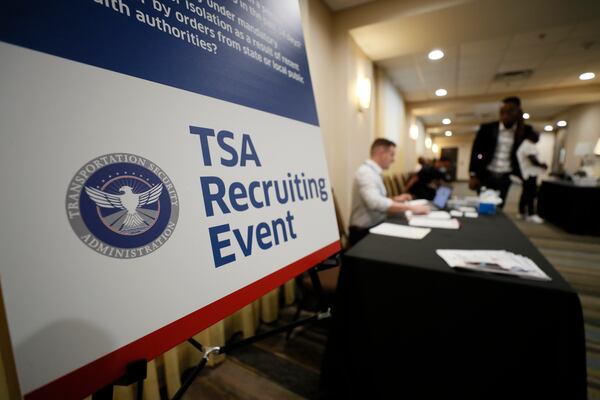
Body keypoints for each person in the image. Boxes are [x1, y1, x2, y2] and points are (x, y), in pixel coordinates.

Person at [349, 138, 430, 245]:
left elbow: (376, 198)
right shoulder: (366, 173)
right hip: (363, 232)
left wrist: (395, 199)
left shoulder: (373, 172)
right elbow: (375, 203)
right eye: (392, 154)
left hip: (375, 224)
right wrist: (411, 207)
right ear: (381, 153)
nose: (393, 159)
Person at [468, 96, 535, 207]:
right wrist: (473, 174)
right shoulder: (487, 129)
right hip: (486, 174)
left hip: (505, 176)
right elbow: (476, 152)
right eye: (503, 113)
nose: (505, 117)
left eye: (510, 114)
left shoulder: (524, 131)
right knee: (483, 204)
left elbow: (529, 149)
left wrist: (521, 124)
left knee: (499, 206)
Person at [516, 131, 547, 223]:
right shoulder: (527, 145)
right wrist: (542, 165)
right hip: (530, 173)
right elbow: (532, 158)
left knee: (526, 193)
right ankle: (531, 214)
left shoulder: (526, 145)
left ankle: (522, 212)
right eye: (538, 137)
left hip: (528, 173)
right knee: (531, 194)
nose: (539, 139)